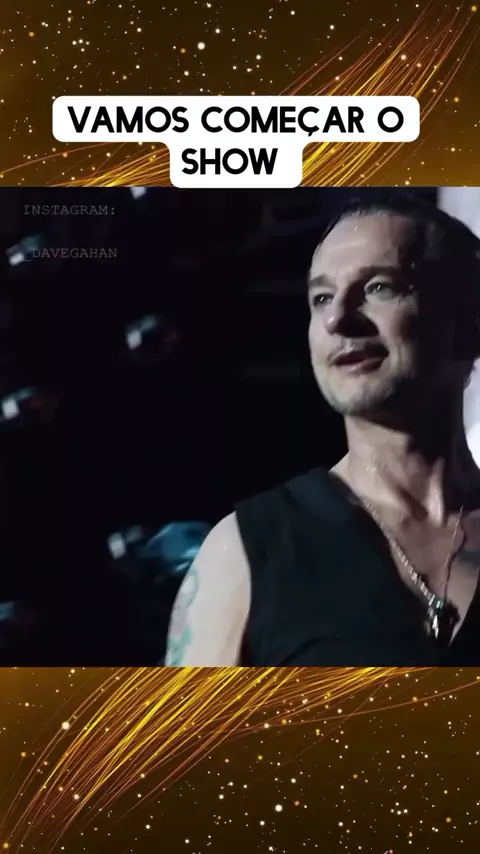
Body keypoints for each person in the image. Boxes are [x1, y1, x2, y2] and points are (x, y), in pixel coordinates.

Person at [165, 193, 480, 666]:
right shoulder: (248, 551)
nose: (337, 319)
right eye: (321, 298)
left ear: (469, 324)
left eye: (379, 287)